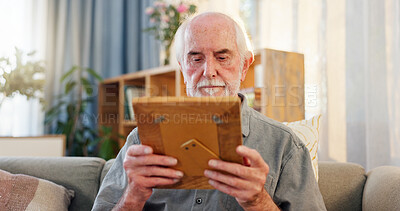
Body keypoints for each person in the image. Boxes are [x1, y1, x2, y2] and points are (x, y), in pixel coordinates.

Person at [92, 12, 326, 211]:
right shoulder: (141, 139)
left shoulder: (285, 146)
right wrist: (133, 195)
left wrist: (258, 201)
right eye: (196, 58)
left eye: (222, 57)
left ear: (244, 66)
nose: (209, 71)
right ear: (182, 68)